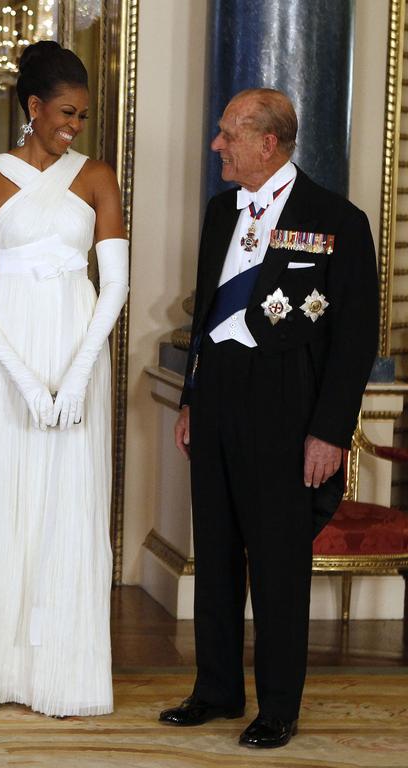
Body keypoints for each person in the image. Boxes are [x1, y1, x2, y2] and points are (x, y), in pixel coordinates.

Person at [160, 89, 378, 749]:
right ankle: (217, 689)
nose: (216, 145)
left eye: (228, 134)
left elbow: (355, 339)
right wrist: (192, 398)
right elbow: (203, 323)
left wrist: (331, 432)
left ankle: (278, 706)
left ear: (268, 142)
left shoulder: (336, 217)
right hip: (220, 395)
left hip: (289, 406)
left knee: (279, 562)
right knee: (217, 550)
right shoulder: (221, 211)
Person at [0, 41, 128, 718]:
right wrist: (31, 385)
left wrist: (75, 376)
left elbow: (115, 286)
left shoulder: (96, 176)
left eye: (83, 115)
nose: (75, 125)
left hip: (76, 347)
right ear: (32, 108)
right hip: (2, 354)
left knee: (67, 502)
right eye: (65, 112)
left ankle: (59, 674)